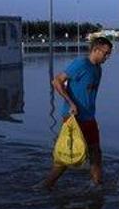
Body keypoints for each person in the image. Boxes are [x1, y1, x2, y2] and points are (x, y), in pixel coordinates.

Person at [44, 36, 113, 189]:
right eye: (106, 53)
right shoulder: (80, 64)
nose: (107, 57)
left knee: (96, 152)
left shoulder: (98, 69)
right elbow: (56, 81)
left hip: (89, 117)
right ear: (95, 50)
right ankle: (46, 185)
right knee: (68, 158)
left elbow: (88, 94)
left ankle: (97, 184)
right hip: (73, 117)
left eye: (109, 54)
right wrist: (71, 102)